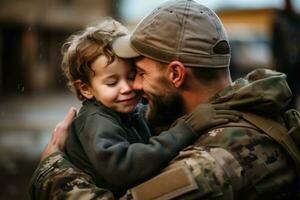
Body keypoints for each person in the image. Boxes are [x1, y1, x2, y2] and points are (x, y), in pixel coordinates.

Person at [30, 0, 299, 199]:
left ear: (175, 73)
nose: (133, 86)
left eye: (140, 73)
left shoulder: (211, 164)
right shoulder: (254, 110)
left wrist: (51, 167)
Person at [40, 18, 239, 198]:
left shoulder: (129, 111)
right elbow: (123, 168)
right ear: (86, 89)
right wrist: (185, 129)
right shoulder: (96, 120)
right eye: (112, 83)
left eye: (133, 75)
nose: (127, 88)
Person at [272, 0, 300, 109]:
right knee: (286, 91)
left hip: (294, 63)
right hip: (285, 63)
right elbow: (275, 44)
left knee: (293, 91)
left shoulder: (294, 20)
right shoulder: (279, 21)